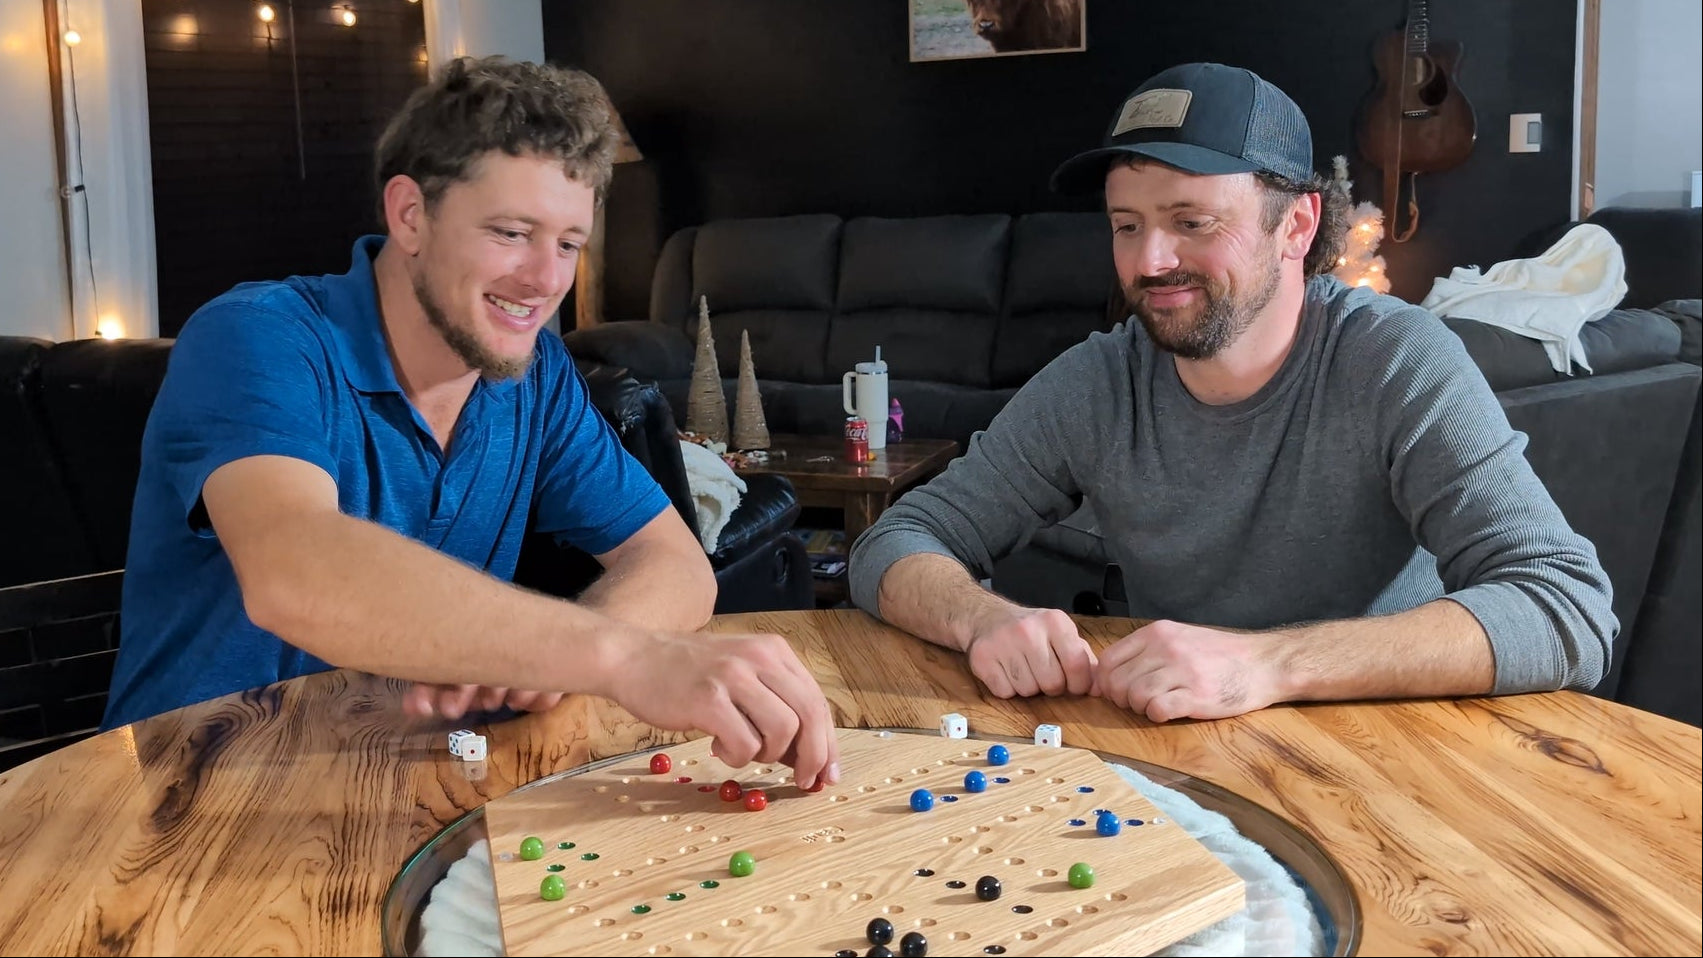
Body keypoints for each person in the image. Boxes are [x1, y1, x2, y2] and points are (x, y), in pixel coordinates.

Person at [103, 57, 838, 788]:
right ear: (410, 215)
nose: (547, 279)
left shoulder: (535, 377)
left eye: (568, 243)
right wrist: (618, 657)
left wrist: (550, 658)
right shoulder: (258, 337)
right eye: (512, 232)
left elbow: (675, 565)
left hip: (411, 787)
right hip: (190, 797)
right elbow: (293, 570)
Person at [848, 62, 1616, 723]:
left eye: (1191, 221)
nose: (1149, 261)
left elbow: (1564, 607)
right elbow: (896, 540)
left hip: (1384, 750)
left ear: (1297, 226)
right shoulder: (1097, 381)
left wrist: (1265, 666)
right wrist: (982, 619)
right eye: (1125, 225)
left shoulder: (1393, 360)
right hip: (1178, 753)